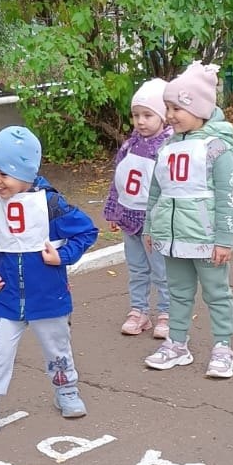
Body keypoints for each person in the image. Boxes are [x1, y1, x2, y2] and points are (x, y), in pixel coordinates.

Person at [0, 126, 98, 447]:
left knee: (57, 349)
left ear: (25, 171)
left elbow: (87, 232)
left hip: (49, 297)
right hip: (7, 299)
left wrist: (62, 256)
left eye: (3, 173)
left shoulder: (51, 204)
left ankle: (66, 389)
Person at [143, 61, 233, 379]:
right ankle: (177, 344)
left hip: (206, 238)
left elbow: (228, 195)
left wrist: (224, 239)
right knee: (178, 293)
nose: (169, 115)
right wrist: (150, 226)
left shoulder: (217, 148)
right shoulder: (167, 148)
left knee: (216, 293)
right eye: (167, 107)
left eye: (176, 108)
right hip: (172, 238)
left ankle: (223, 347)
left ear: (200, 108)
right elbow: (156, 191)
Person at [102, 79, 173, 338]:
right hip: (129, 218)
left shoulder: (167, 148)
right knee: (136, 268)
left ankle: (167, 313)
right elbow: (118, 181)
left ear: (164, 116)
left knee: (162, 270)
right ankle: (139, 310)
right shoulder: (129, 146)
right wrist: (114, 211)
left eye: (147, 115)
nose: (140, 121)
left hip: (155, 222)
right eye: (136, 115)